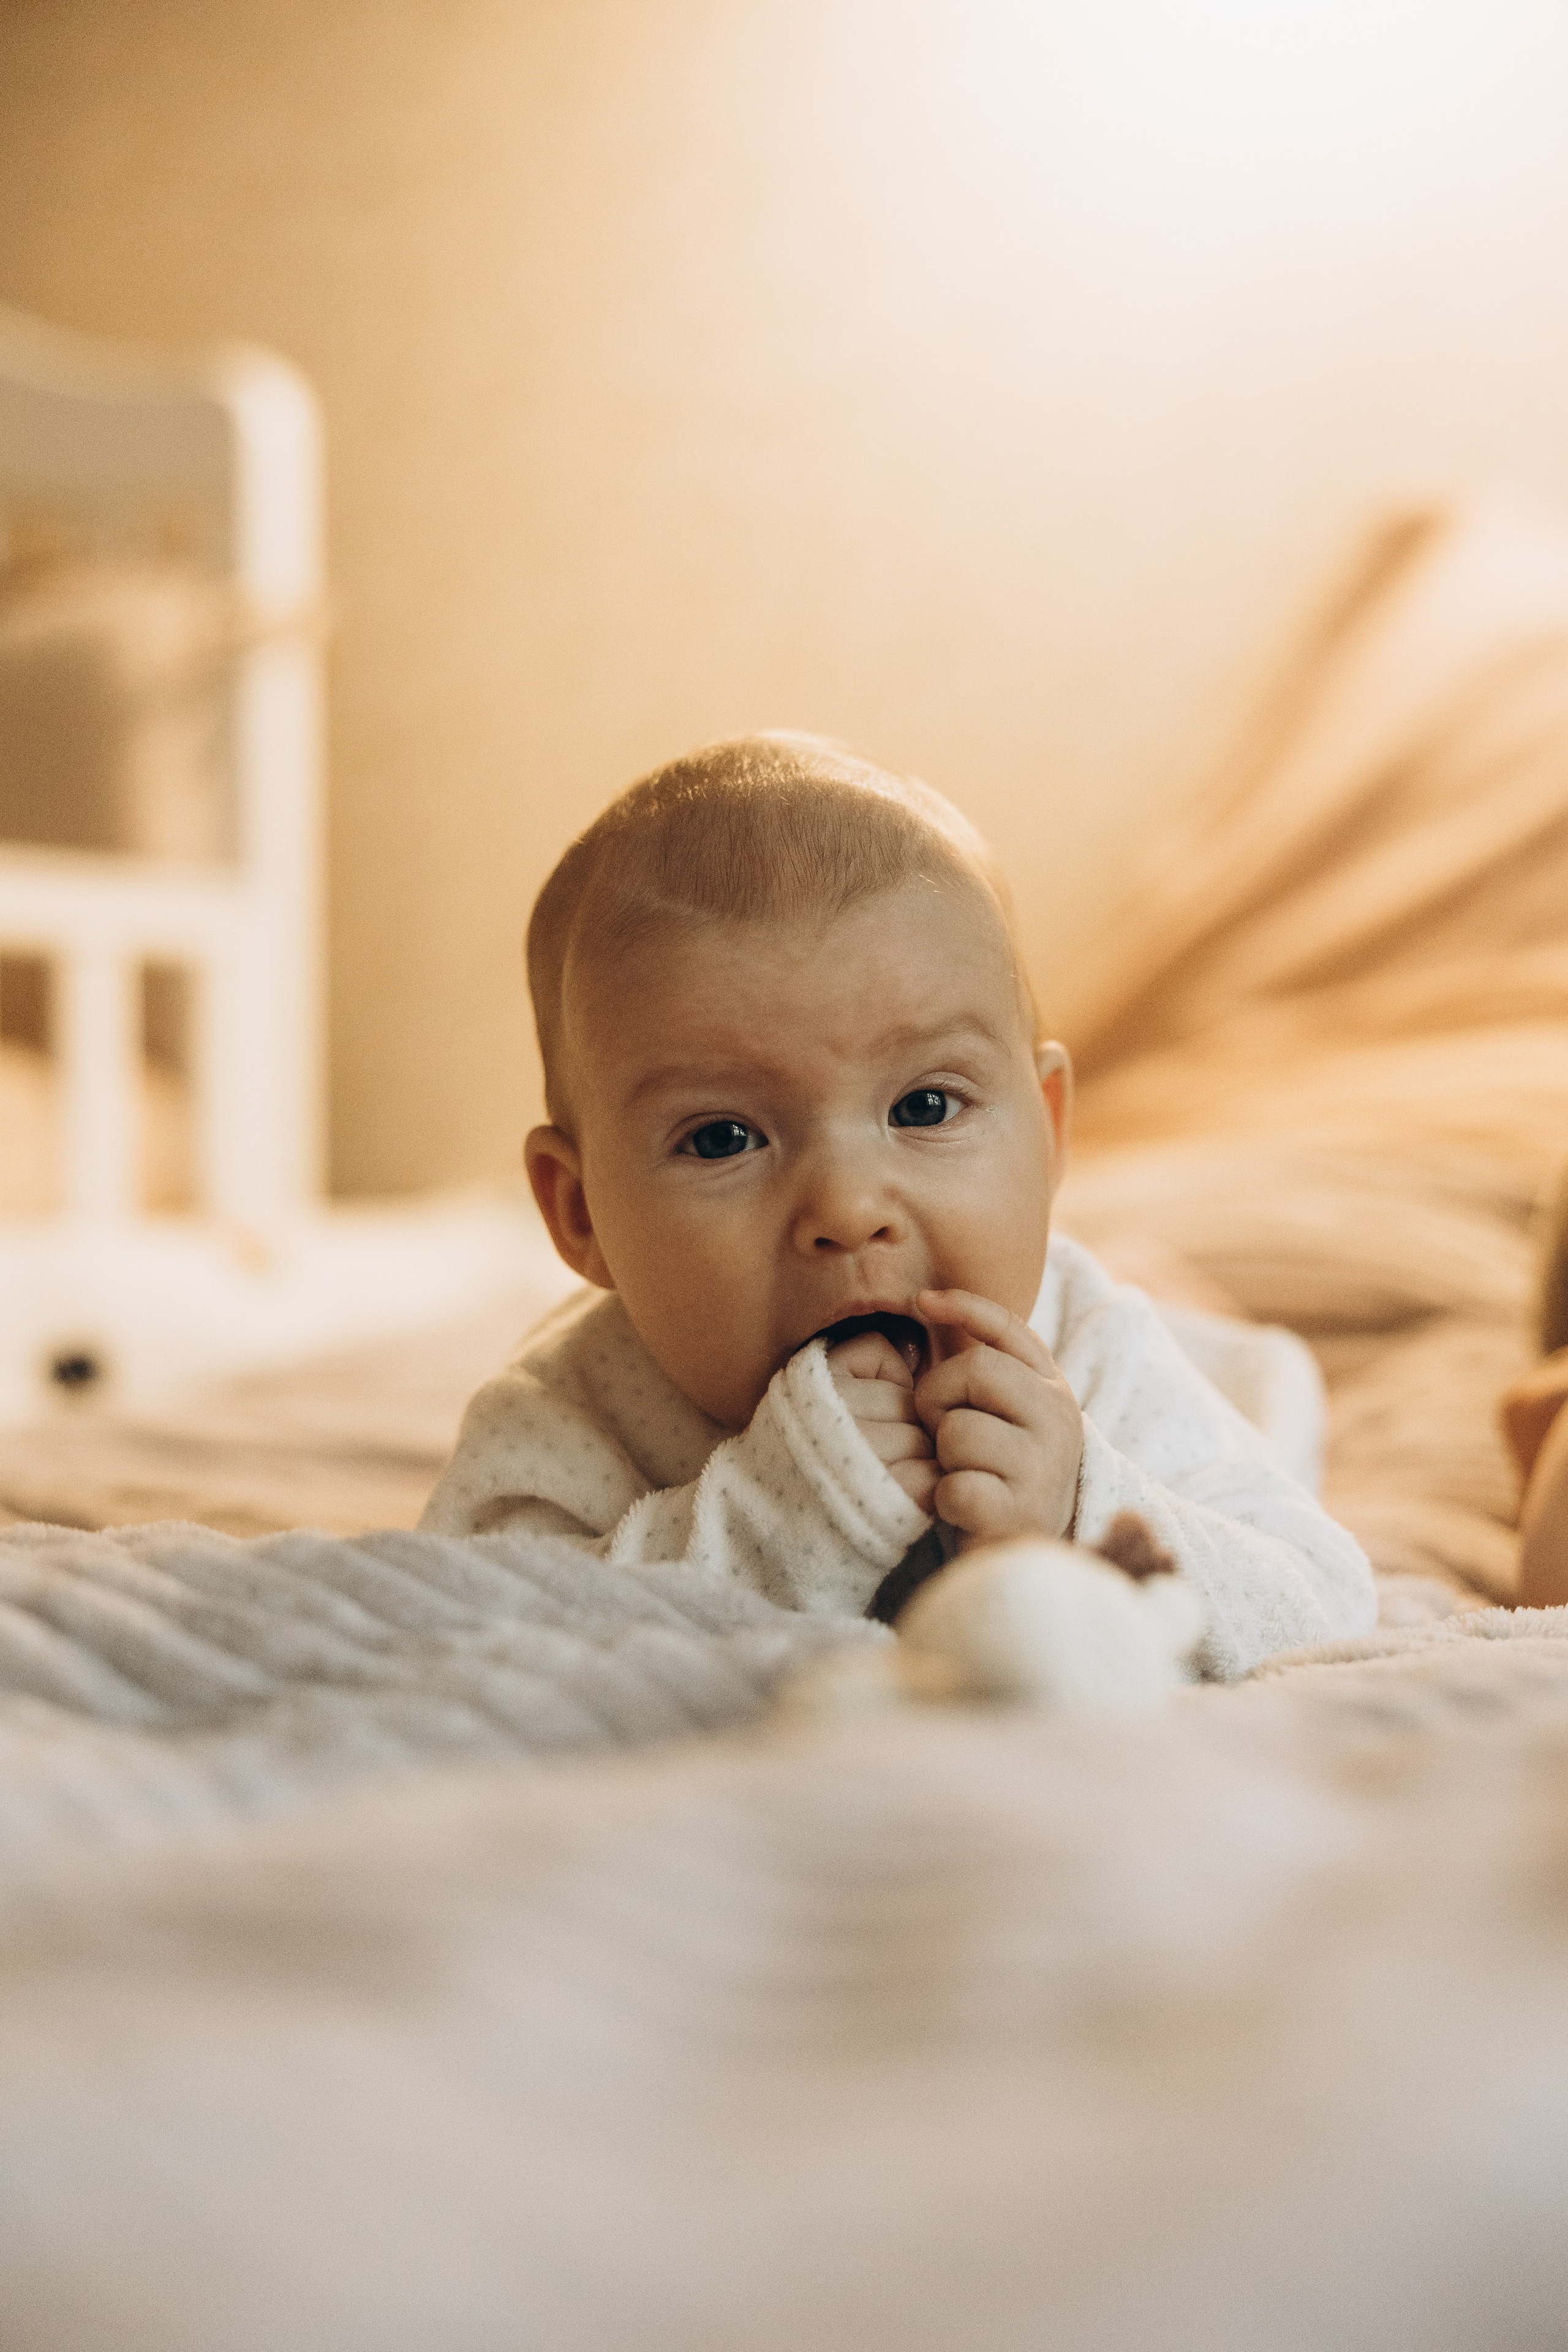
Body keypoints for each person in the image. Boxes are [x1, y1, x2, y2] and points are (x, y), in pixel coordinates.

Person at [420, 733, 1374, 1679]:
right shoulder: (566, 1416)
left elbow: (1324, 1607)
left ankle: (1220, 1332)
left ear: (1046, 1134)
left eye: (924, 1108)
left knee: (1259, 1396)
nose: (847, 1207)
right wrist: (774, 1520)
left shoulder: (1090, 1356)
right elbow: (463, 1659)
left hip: (1187, 1388)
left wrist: (1086, 1506)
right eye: (721, 1138)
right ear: (579, 1213)